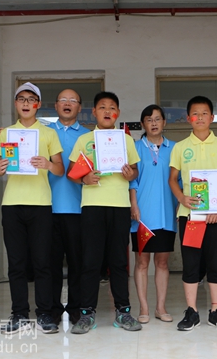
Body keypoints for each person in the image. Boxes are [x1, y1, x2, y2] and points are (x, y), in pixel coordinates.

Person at [67, 91, 141, 334]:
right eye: (102, 107)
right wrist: (84, 178)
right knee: (91, 261)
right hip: (92, 206)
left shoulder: (126, 140)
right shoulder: (85, 140)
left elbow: (135, 171)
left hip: (119, 206)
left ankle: (123, 311)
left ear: (117, 113)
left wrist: (130, 174)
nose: (107, 111)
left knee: (119, 261)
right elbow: (71, 172)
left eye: (112, 108)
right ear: (94, 112)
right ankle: (86, 313)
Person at [0, 82, 64, 334]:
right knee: (16, 263)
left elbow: (60, 169)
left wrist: (48, 164)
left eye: (31, 99)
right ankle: (19, 314)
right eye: (21, 99)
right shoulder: (6, 133)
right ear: (15, 104)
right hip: (12, 204)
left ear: (38, 104)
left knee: (42, 261)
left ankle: (44, 313)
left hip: (41, 204)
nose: (26, 103)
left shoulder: (48, 133)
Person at [169, 95, 217, 331]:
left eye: (204, 113)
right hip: (189, 216)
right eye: (195, 114)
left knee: (216, 263)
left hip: (215, 217)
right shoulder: (180, 147)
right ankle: (192, 311)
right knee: (190, 263)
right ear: (188, 118)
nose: (200, 117)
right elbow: (172, 179)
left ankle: (216, 311)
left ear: (212, 117)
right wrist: (182, 198)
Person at [130, 104, 177, 324]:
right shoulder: (135, 148)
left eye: (157, 119)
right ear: (143, 124)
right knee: (142, 262)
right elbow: (132, 180)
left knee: (162, 262)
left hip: (166, 214)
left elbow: (180, 180)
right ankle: (144, 308)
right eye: (149, 120)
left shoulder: (175, 148)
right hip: (142, 215)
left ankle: (160, 307)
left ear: (164, 122)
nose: (154, 123)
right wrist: (133, 205)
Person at [47, 89, 90, 325]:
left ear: (79, 108)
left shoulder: (88, 136)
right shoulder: (43, 133)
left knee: (77, 263)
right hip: (47, 207)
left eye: (73, 100)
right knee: (50, 263)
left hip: (78, 207)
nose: (67, 103)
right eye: (63, 100)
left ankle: (75, 308)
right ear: (55, 106)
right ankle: (52, 309)